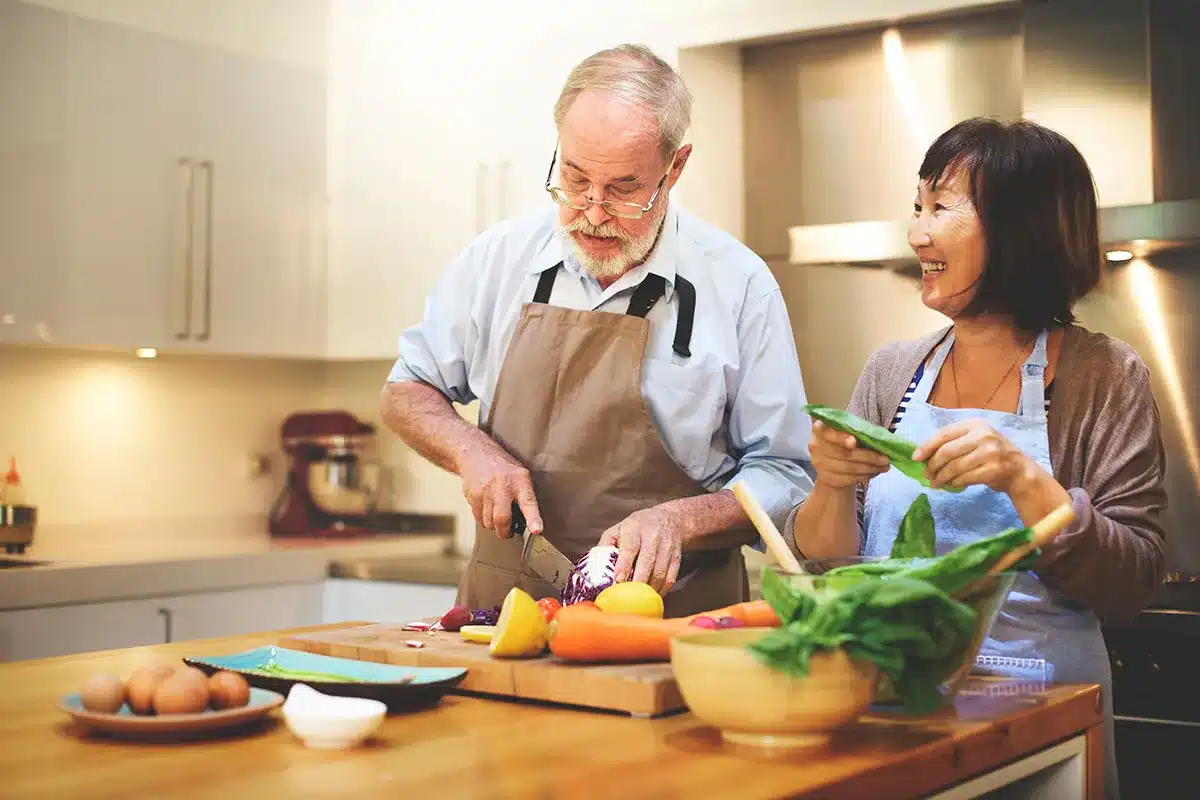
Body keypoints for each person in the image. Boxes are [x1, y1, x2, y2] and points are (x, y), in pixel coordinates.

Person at [789, 117, 1168, 800]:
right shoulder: (892, 370)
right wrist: (831, 484)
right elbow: (827, 558)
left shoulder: (1106, 375)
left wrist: (1025, 479)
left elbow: (1134, 580)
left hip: (1041, 720)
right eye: (917, 206)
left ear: (1020, 230)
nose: (917, 233)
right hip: (895, 706)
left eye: (941, 207)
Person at [381, 44, 814, 617]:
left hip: (676, 623)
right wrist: (473, 453)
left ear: (675, 167)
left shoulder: (739, 285)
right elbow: (406, 392)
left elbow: (786, 472)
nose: (593, 209)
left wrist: (683, 519)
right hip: (506, 615)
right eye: (575, 177)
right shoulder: (496, 260)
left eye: (624, 189)